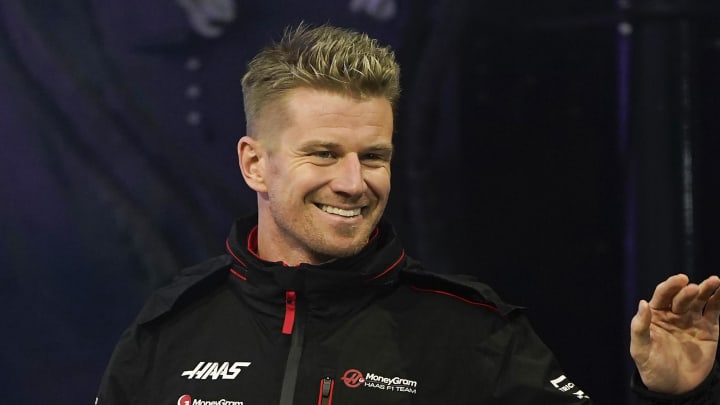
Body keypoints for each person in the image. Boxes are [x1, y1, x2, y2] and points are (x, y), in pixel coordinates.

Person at [96, 23, 720, 404]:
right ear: (255, 164)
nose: (353, 182)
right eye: (323, 153)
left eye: (374, 156)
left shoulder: (473, 332)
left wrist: (675, 399)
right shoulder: (170, 329)